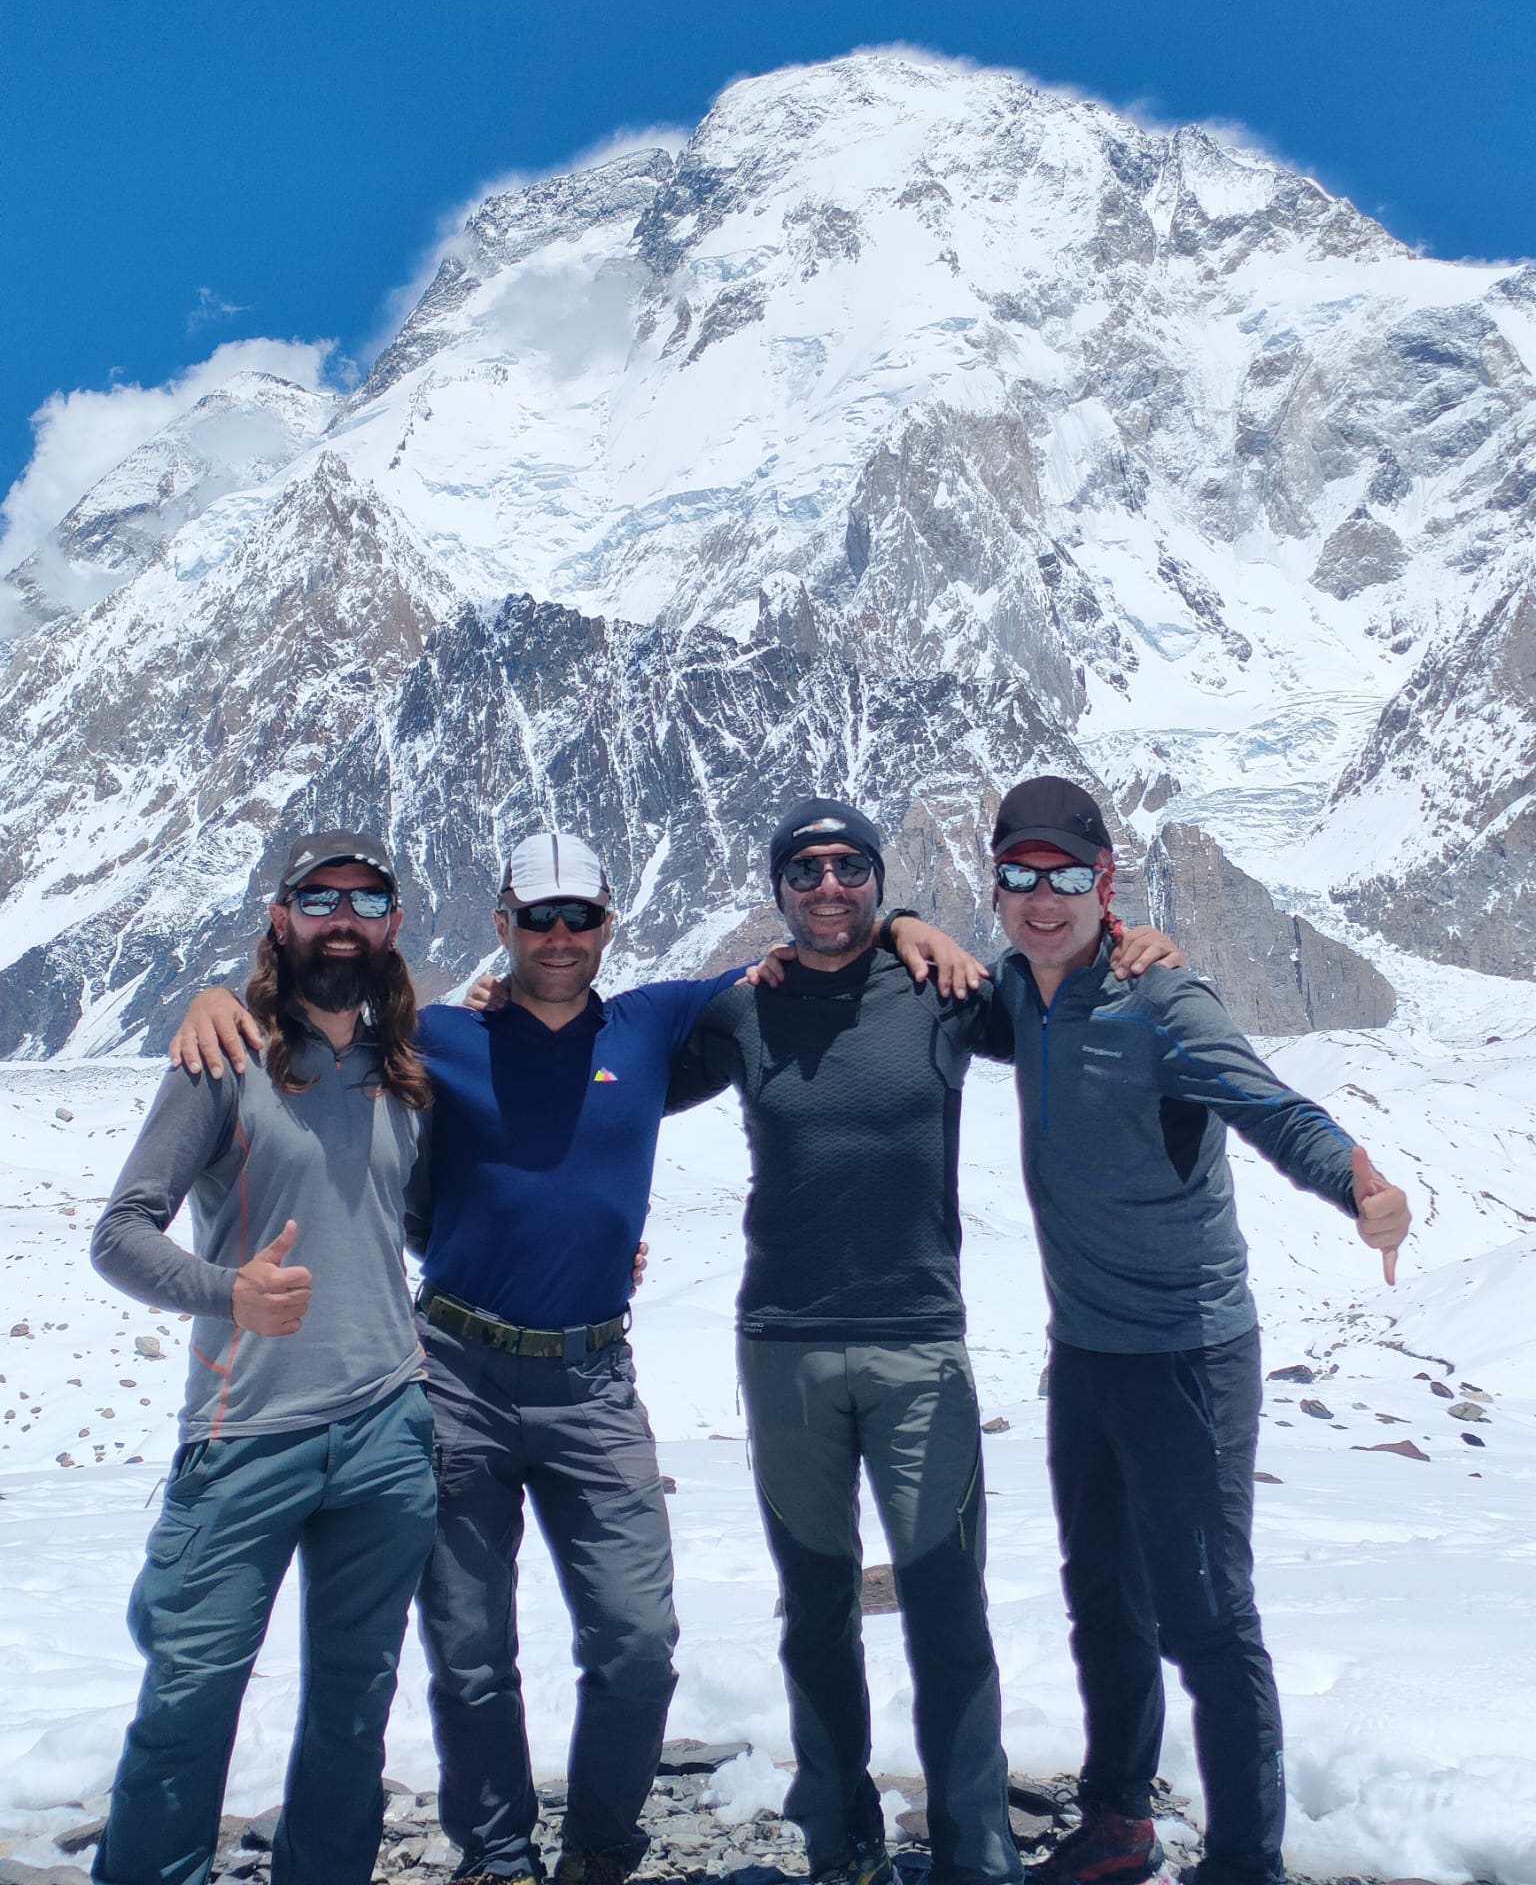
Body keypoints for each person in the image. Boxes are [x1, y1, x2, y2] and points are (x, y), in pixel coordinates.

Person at [172, 832, 775, 1885]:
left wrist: (902, 922)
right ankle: (496, 1855)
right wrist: (206, 992)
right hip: (452, 1371)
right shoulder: (439, 1037)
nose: (555, 935)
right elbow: (320, 997)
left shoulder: (651, 1024)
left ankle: (598, 1849)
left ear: (607, 924)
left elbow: (800, 956)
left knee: (636, 1640)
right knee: (468, 1649)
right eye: (534, 916)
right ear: (500, 922)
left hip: (593, 1380)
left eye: (576, 916)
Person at [886, 778, 1412, 1885]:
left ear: (1104, 882)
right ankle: (1120, 1817)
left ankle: (1246, 1859)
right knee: (1103, 1598)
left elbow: (1269, 1105)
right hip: (1085, 1355)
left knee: (1211, 1621)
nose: (1041, 897)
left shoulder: (1162, 999)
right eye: (1019, 875)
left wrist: (1357, 1182)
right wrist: (899, 919)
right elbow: (948, 992)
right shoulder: (1024, 997)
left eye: (1065, 875)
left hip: (1188, 1355)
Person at [666, 799, 1183, 1885]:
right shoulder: (743, 1011)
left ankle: (975, 1852)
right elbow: (612, 1077)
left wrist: (1129, 942)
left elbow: (1063, 996)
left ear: (874, 875)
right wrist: (493, 1005)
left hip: (920, 1351)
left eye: (851, 864)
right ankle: (841, 1843)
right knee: (814, 1612)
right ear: (777, 887)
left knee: (948, 1606)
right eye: (803, 866)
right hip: (786, 1350)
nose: (827, 883)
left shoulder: (942, 988)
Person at [89, 832, 438, 1885]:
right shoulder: (224, 1059)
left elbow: (407, 1223)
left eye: (364, 898)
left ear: (392, 925)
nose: (342, 917)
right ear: (280, 920)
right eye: (318, 897)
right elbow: (122, 1230)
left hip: (387, 1427)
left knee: (353, 1703)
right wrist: (225, 1291)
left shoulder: (403, 1073)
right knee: (191, 1697)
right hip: (245, 1431)